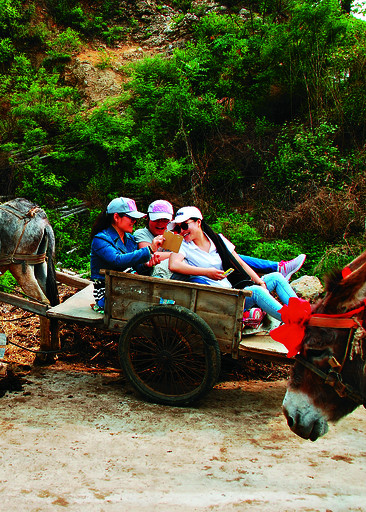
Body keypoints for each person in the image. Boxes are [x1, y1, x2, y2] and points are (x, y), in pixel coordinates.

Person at [168, 206, 298, 321]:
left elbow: (240, 263)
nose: (182, 231)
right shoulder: (180, 243)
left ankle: (302, 311)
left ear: (198, 222)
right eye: (178, 228)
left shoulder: (217, 239)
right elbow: (174, 265)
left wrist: (259, 281)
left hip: (233, 287)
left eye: (184, 225)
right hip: (221, 298)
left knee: (275, 277)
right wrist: (206, 272)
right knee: (256, 292)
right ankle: (293, 320)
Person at [134, 200, 306, 281]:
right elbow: (148, 256)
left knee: (228, 254)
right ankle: (277, 268)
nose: (161, 224)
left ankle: (277, 267)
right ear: (149, 218)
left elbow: (178, 253)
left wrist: (176, 251)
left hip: (184, 262)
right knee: (225, 255)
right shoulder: (143, 234)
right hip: (165, 273)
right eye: (157, 220)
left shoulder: (177, 232)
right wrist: (173, 254)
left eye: (165, 220)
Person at [90, 197, 163, 311]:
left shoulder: (130, 239)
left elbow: (134, 266)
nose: (134, 222)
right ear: (116, 217)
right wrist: (149, 249)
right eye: (131, 218)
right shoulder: (100, 239)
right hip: (108, 292)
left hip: (127, 286)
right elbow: (118, 260)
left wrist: (146, 265)